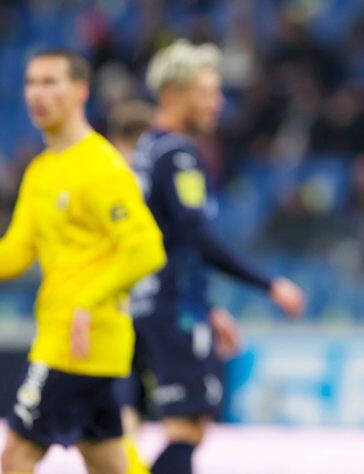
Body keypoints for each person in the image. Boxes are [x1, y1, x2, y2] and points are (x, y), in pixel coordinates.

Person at [123, 40, 306, 474]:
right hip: (172, 309)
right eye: (206, 91)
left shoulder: (147, 151)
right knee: (187, 428)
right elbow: (198, 237)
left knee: (133, 429)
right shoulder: (178, 157)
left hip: (148, 302)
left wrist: (205, 308)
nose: (217, 102)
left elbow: (170, 241)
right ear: (173, 93)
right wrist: (269, 283)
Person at [0, 49, 166, 474]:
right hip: (75, 342)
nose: (37, 94)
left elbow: (146, 248)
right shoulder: (41, 170)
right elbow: (15, 253)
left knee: (16, 456)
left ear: (80, 91)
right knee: (109, 464)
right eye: (31, 83)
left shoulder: (102, 166)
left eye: (50, 82)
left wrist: (86, 301)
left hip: (76, 345)